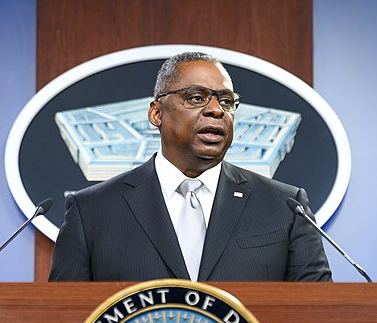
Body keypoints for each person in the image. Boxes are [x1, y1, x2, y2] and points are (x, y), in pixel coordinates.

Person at [49, 51, 332, 282]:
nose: (216, 110)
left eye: (226, 101)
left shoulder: (285, 207)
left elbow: (318, 315)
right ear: (156, 113)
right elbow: (64, 321)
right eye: (196, 98)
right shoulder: (91, 211)